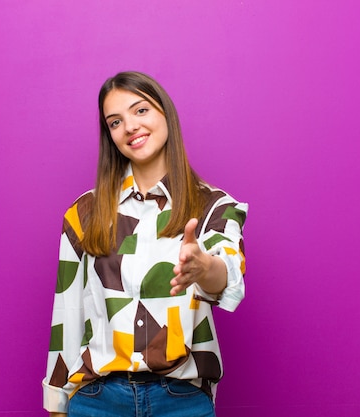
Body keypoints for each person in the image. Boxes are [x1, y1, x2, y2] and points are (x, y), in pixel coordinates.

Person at [42, 71, 248, 417]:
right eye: (115, 121)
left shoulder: (214, 206)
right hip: (97, 401)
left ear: (165, 112)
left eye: (140, 111)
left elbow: (226, 274)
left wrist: (202, 267)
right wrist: (57, 401)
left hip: (182, 400)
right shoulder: (84, 213)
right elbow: (68, 311)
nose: (130, 127)